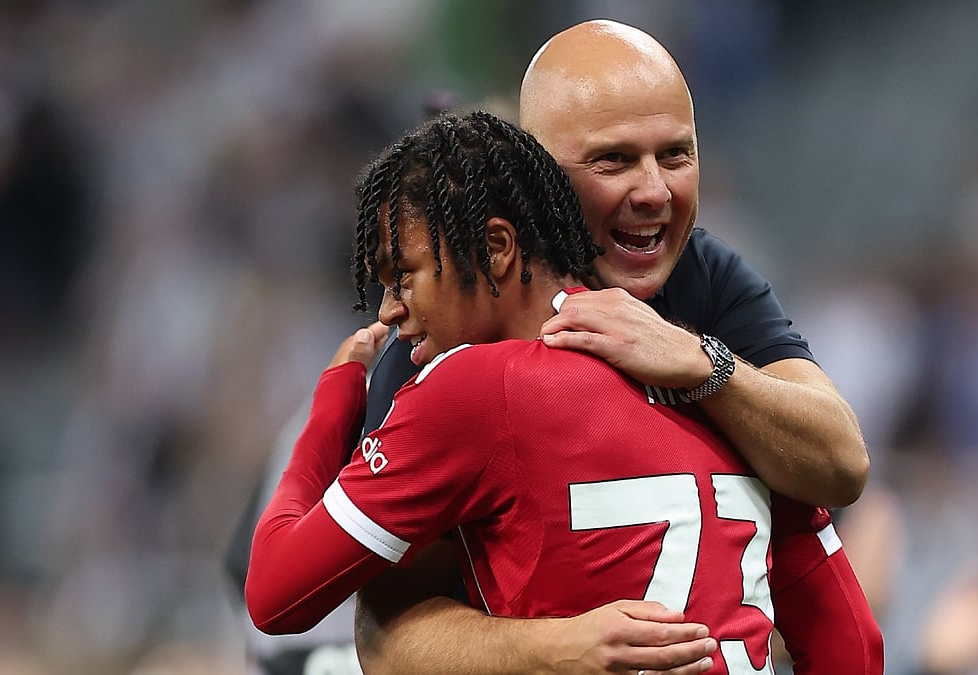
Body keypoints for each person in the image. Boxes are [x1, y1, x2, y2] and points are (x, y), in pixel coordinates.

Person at [351, 20, 881, 675]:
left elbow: (840, 461)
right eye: (615, 160)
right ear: (534, 176)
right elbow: (383, 638)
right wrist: (560, 650)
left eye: (676, 154)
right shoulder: (447, 325)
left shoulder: (702, 277)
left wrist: (701, 364)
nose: (655, 191)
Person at [246, 110, 779, 673]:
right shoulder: (726, 385)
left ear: (497, 247)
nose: (390, 312)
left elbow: (274, 595)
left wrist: (332, 404)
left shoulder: (470, 386)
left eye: (403, 276)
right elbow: (852, 637)